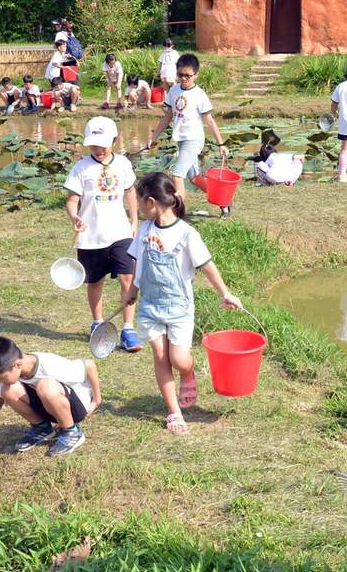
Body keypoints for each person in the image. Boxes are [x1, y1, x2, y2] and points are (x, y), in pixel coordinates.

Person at [123, 173, 241, 435]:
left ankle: (188, 374)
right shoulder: (144, 231)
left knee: (179, 359)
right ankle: (174, 412)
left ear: (151, 202)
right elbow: (138, 266)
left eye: (139, 200)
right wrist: (131, 292)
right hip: (150, 307)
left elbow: (207, 267)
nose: (137, 206)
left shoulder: (187, 233)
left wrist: (225, 294)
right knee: (161, 357)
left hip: (179, 308)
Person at [64, 116, 142, 354]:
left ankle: (128, 329)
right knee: (94, 281)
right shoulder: (81, 168)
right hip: (91, 237)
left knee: (128, 278)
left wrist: (134, 219)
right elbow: (72, 200)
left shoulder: (124, 165)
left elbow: (130, 192)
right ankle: (97, 322)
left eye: (103, 144)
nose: (98, 149)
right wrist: (74, 217)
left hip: (120, 232)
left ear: (115, 141)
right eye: (94, 145)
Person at [0, 336, 100, 458]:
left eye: (0, 377)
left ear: (17, 365)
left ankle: (71, 432)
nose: (0, 381)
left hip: (76, 407)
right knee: (7, 391)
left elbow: (89, 365)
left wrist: (96, 400)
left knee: (45, 385)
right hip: (50, 405)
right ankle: (42, 429)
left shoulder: (49, 364)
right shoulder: (14, 371)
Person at [145, 53, 228, 210]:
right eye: (180, 74)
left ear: (196, 75)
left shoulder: (199, 95)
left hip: (194, 139)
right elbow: (167, 116)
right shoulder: (174, 90)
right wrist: (154, 137)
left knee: (177, 174)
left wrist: (221, 144)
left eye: (187, 76)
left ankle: (178, 212)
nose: (183, 78)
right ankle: (224, 201)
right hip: (181, 139)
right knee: (195, 178)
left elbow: (209, 120)